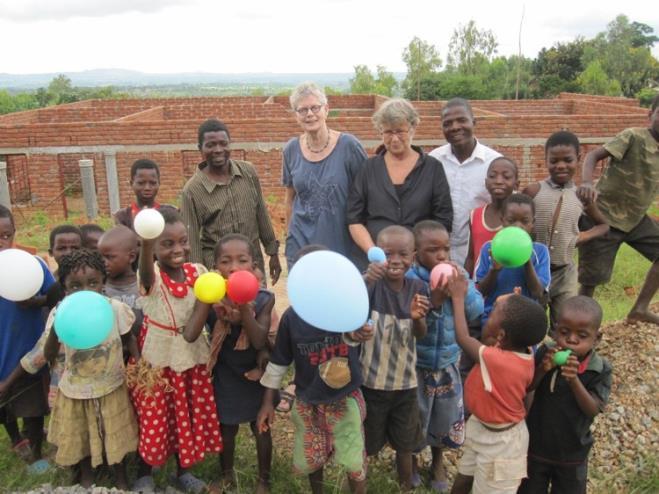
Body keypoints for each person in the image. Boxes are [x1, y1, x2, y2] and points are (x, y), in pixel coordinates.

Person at [257, 244, 369, 494]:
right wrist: (267, 403)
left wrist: (362, 331)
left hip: (345, 399)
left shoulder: (345, 307)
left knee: (352, 456)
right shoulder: (291, 319)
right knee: (311, 455)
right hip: (307, 400)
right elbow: (279, 363)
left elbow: (356, 334)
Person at [129, 206, 222, 493]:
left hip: (191, 360)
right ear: (153, 247)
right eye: (166, 244)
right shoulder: (151, 276)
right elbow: (145, 272)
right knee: (155, 417)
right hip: (159, 361)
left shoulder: (199, 272)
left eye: (183, 241)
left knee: (187, 416)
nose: (177, 249)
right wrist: (145, 243)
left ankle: (184, 470)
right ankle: (145, 471)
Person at [184, 233, 275, 493]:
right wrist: (205, 300)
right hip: (226, 373)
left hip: (256, 373)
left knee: (261, 428)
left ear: (254, 266)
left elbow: (258, 341)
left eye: (242, 260)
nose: (234, 267)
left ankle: (264, 480)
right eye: (225, 262)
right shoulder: (211, 299)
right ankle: (226, 475)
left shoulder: (264, 298)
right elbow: (190, 335)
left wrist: (245, 308)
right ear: (215, 269)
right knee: (226, 428)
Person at [43, 249, 139, 489]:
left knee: (114, 432)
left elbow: (129, 339)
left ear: (103, 283)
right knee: (82, 434)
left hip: (111, 386)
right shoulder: (61, 313)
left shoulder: (114, 308)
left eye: (93, 283)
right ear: (64, 288)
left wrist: (140, 365)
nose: (85, 290)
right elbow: (48, 355)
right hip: (76, 389)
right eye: (75, 286)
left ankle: (120, 475)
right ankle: (87, 476)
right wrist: (57, 327)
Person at [406, 220, 484, 491]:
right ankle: (411, 459)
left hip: (448, 363)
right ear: (416, 253)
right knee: (416, 415)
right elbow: (406, 322)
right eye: (433, 250)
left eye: (446, 249)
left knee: (445, 414)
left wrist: (460, 293)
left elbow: (476, 311)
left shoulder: (458, 273)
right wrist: (434, 299)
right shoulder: (410, 280)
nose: (441, 256)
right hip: (417, 364)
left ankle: (437, 461)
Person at [448, 288, 548, 494]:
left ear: (501, 335)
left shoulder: (497, 361)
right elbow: (526, 387)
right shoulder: (525, 352)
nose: (488, 311)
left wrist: (457, 298)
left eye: (493, 310)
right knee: (463, 480)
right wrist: (513, 302)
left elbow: (463, 338)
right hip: (482, 426)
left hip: (502, 445)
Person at [359, 225, 430, 491]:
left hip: (405, 385)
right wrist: (368, 279)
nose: (395, 260)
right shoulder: (371, 285)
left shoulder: (418, 287)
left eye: (403, 254)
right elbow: (352, 304)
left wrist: (417, 319)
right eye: (388, 253)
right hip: (371, 383)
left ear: (413, 256)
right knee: (367, 442)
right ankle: (358, 484)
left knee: (405, 443)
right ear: (376, 254)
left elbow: (420, 334)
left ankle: (405, 485)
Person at [578, 94, 659, 325]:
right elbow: (593, 155)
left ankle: (640, 308)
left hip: (635, 221)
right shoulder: (633, 136)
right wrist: (586, 183)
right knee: (591, 280)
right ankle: (581, 325)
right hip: (601, 217)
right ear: (650, 115)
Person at [519, 296, 612, 494]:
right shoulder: (546, 352)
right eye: (564, 332)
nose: (571, 340)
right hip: (536, 446)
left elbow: (593, 409)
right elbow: (528, 387)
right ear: (554, 331)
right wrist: (543, 369)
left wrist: (574, 380)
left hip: (573, 453)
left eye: (582, 335)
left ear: (597, 339)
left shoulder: (599, 369)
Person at [523, 132, 609, 330]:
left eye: (567, 160)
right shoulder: (534, 191)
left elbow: (604, 225)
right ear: (545, 161)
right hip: (533, 271)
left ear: (578, 159)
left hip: (565, 272)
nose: (560, 166)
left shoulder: (582, 196)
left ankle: (561, 359)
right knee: (530, 322)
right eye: (554, 161)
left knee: (563, 324)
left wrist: (580, 237)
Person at [181, 119, 281, 283]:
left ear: (230, 144)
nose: (218, 150)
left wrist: (273, 252)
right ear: (200, 149)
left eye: (223, 143)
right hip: (218, 269)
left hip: (251, 262)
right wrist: (199, 279)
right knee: (225, 309)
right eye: (211, 145)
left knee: (258, 304)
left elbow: (261, 213)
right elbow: (192, 241)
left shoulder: (247, 172)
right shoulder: (192, 191)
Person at [347, 98, 452, 255]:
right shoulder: (368, 169)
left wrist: (419, 253)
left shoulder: (432, 168)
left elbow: (443, 219)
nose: (394, 138)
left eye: (400, 131)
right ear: (380, 132)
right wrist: (373, 252)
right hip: (377, 262)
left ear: (412, 129)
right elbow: (354, 219)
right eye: (388, 132)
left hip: (420, 262)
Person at [283, 82, 368, 269]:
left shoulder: (349, 147)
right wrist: (289, 236)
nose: (309, 114)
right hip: (301, 244)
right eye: (302, 110)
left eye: (315, 107)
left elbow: (367, 196)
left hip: (342, 242)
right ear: (296, 115)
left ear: (326, 110)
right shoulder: (291, 150)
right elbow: (290, 199)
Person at [0, 205, 55, 474]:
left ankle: (34, 450)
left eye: (6, 235)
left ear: (14, 234)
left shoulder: (30, 266)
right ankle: (15, 438)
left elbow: (54, 296)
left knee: (32, 406)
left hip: (26, 353)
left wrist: (35, 302)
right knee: (3, 405)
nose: (1, 243)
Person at [429, 98, 502, 267]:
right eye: (448, 123)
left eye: (461, 120)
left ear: (473, 122)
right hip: (437, 255)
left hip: (480, 254)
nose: (455, 127)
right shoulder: (433, 160)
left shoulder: (494, 163)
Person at [475, 194, 551, 326]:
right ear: (502, 220)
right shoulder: (489, 249)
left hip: (526, 320)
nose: (517, 226)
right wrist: (494, 270)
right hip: (493, 318)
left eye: (525, 221)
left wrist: (526, 260)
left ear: (532, 223)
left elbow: (538, 292)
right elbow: (481, 290)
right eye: (511, 220)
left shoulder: (540, 251)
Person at [465, 157, 519, 276]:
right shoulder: (475, 215)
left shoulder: (519, 218)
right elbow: (471, 257)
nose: (498, 181)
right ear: (486, 182)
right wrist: (468, 286)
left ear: (516, 184)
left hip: (510, 286)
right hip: (481, 288)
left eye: (506, 177)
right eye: (493, 176)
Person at [114, 159, 167, 230]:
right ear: (131, 183)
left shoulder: (169, 212)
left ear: (159, 183)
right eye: (141, 183)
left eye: (153, 183)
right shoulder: (123, 216)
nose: (147, 188)